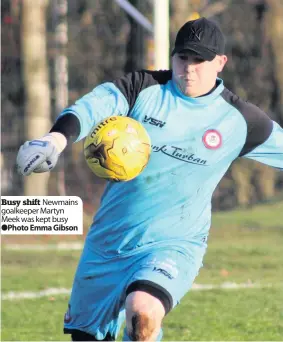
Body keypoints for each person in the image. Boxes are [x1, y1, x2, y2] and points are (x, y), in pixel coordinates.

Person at [16, 17, 283, 341]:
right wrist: (56, 139)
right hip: (109, 243)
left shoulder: (240, 121)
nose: (190, 67)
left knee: (143, 310)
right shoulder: (143, 89)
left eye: (200, 60)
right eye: (183, 57)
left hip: (173, 244)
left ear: (220, 63)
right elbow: (92, 107)